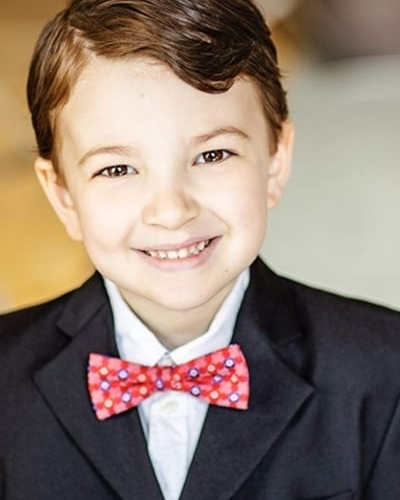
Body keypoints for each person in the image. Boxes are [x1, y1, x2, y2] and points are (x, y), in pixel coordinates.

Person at [1, 0, 400, 499]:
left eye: (212, 155)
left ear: (275, 161)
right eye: (117, 169)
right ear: (62, 195)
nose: (171, 211)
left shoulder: (385, 372)